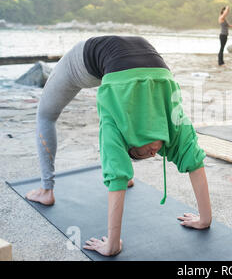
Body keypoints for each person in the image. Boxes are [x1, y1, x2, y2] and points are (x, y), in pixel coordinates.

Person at [25, 36, 212, 256]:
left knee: (50, 117)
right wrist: (204, 218)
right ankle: (46, 189)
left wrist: (112, 246)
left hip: (115, 64)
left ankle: (47, 190)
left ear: (129, 145)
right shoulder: (166, 116)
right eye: (152, 153)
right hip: (100, 63)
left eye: (143, 154)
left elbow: (192, 157)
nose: (154, 154)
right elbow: (118, 171)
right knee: (48, 115)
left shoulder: (134, 120)